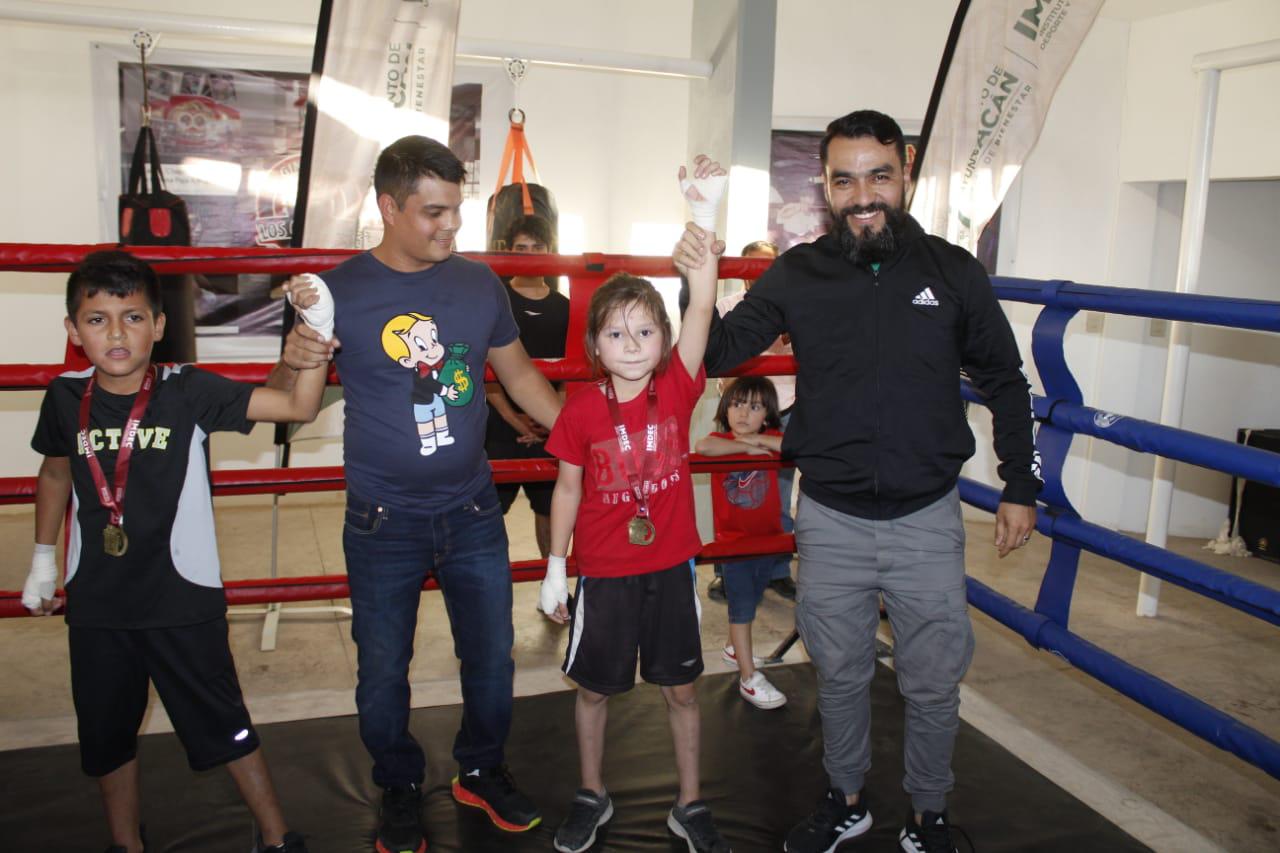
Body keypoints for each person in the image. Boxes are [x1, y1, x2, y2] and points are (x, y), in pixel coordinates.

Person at [675, 110, 1040, 853]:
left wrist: (1019, 483)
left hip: (926, 516)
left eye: (878, 175)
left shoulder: (952, 271)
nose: (863, 194)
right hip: (832, 516)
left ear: (904, 171)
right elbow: (712, 351)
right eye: (846, 180)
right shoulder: (800, 273)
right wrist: (699, 279)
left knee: (933, 680)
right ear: (826, 187)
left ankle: (929, 814)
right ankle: (847, 799)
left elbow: (1005, 377)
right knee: (837, 673)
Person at [271, 135, 562, 853]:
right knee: (381, 671)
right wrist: (293, 352)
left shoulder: (476, 284)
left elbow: (519, 376)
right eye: (432, 212)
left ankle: (481, 768)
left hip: (470, 509)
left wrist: (590, 437)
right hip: (382, 518)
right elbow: (292, 403)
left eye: (455, 211)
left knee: (492, 659)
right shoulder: (338, 291)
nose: (449, 227)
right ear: (388, 206)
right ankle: (398, 783)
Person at [21, 250, 327, 853]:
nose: (115, 333)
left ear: (159, 325)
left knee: (225, 722)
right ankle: (125, 843)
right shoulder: (63, 397)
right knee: (107, 734)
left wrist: (312, 345)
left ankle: (276, 835)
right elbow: (55, 474)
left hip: (182, 597)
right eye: (97, 319)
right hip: (99, 603)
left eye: (132, 317)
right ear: (72, 330)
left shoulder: (187, 390)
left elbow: (297, 406)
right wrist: (41, 560)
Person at [536, 156, 730, 853]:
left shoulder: (677, 388)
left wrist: (703, 216)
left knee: (681, 690)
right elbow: (565, 488)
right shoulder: (582, 409)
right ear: (595, 344)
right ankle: (592, 791)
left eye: (645, 331)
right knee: (594, 690)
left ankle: (690, 802)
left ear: (664, 340)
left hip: (672, 567)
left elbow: (702, 303)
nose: (631, 344)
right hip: (607, 573)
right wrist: (555, 567)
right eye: (615, 332)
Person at [706, 239, 797, 605]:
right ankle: (725, 573)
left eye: (767, 266)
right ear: (740, 270)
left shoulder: (795, 309)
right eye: (752, 267)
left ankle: (777, 571)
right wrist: (741, 416)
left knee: (779, 498)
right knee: (732, 498)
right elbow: (717, 361)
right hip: (741, 415)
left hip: (786, 410)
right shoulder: (727, 307)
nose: (758, 274)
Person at [694, 376, 788, 709]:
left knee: (756, 592)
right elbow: (704, 447)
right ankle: (748, 677)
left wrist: (761, 440)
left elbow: (795, 444)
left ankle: (735, 650)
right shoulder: (720, 438)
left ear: (768, 414)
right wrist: (746, 446)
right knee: (742, 607)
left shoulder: (774, 437)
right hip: (734, 546)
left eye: (755, 406)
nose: (744, 413)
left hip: (769, 541)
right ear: (725, 408)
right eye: (736, 404)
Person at [485, 214, 570, 558]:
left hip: (550, 424)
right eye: (522, 248)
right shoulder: (495, 299)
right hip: (499, 422)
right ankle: (488, 588)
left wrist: (552, 418)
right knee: (487, 512)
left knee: (551, 509)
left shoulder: (565, 307)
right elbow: (485, 367)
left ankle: (553, 585)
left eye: (539, 247)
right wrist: (515, 418)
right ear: (510, 251)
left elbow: (571, 374)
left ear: (550, 251)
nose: (531, 254)